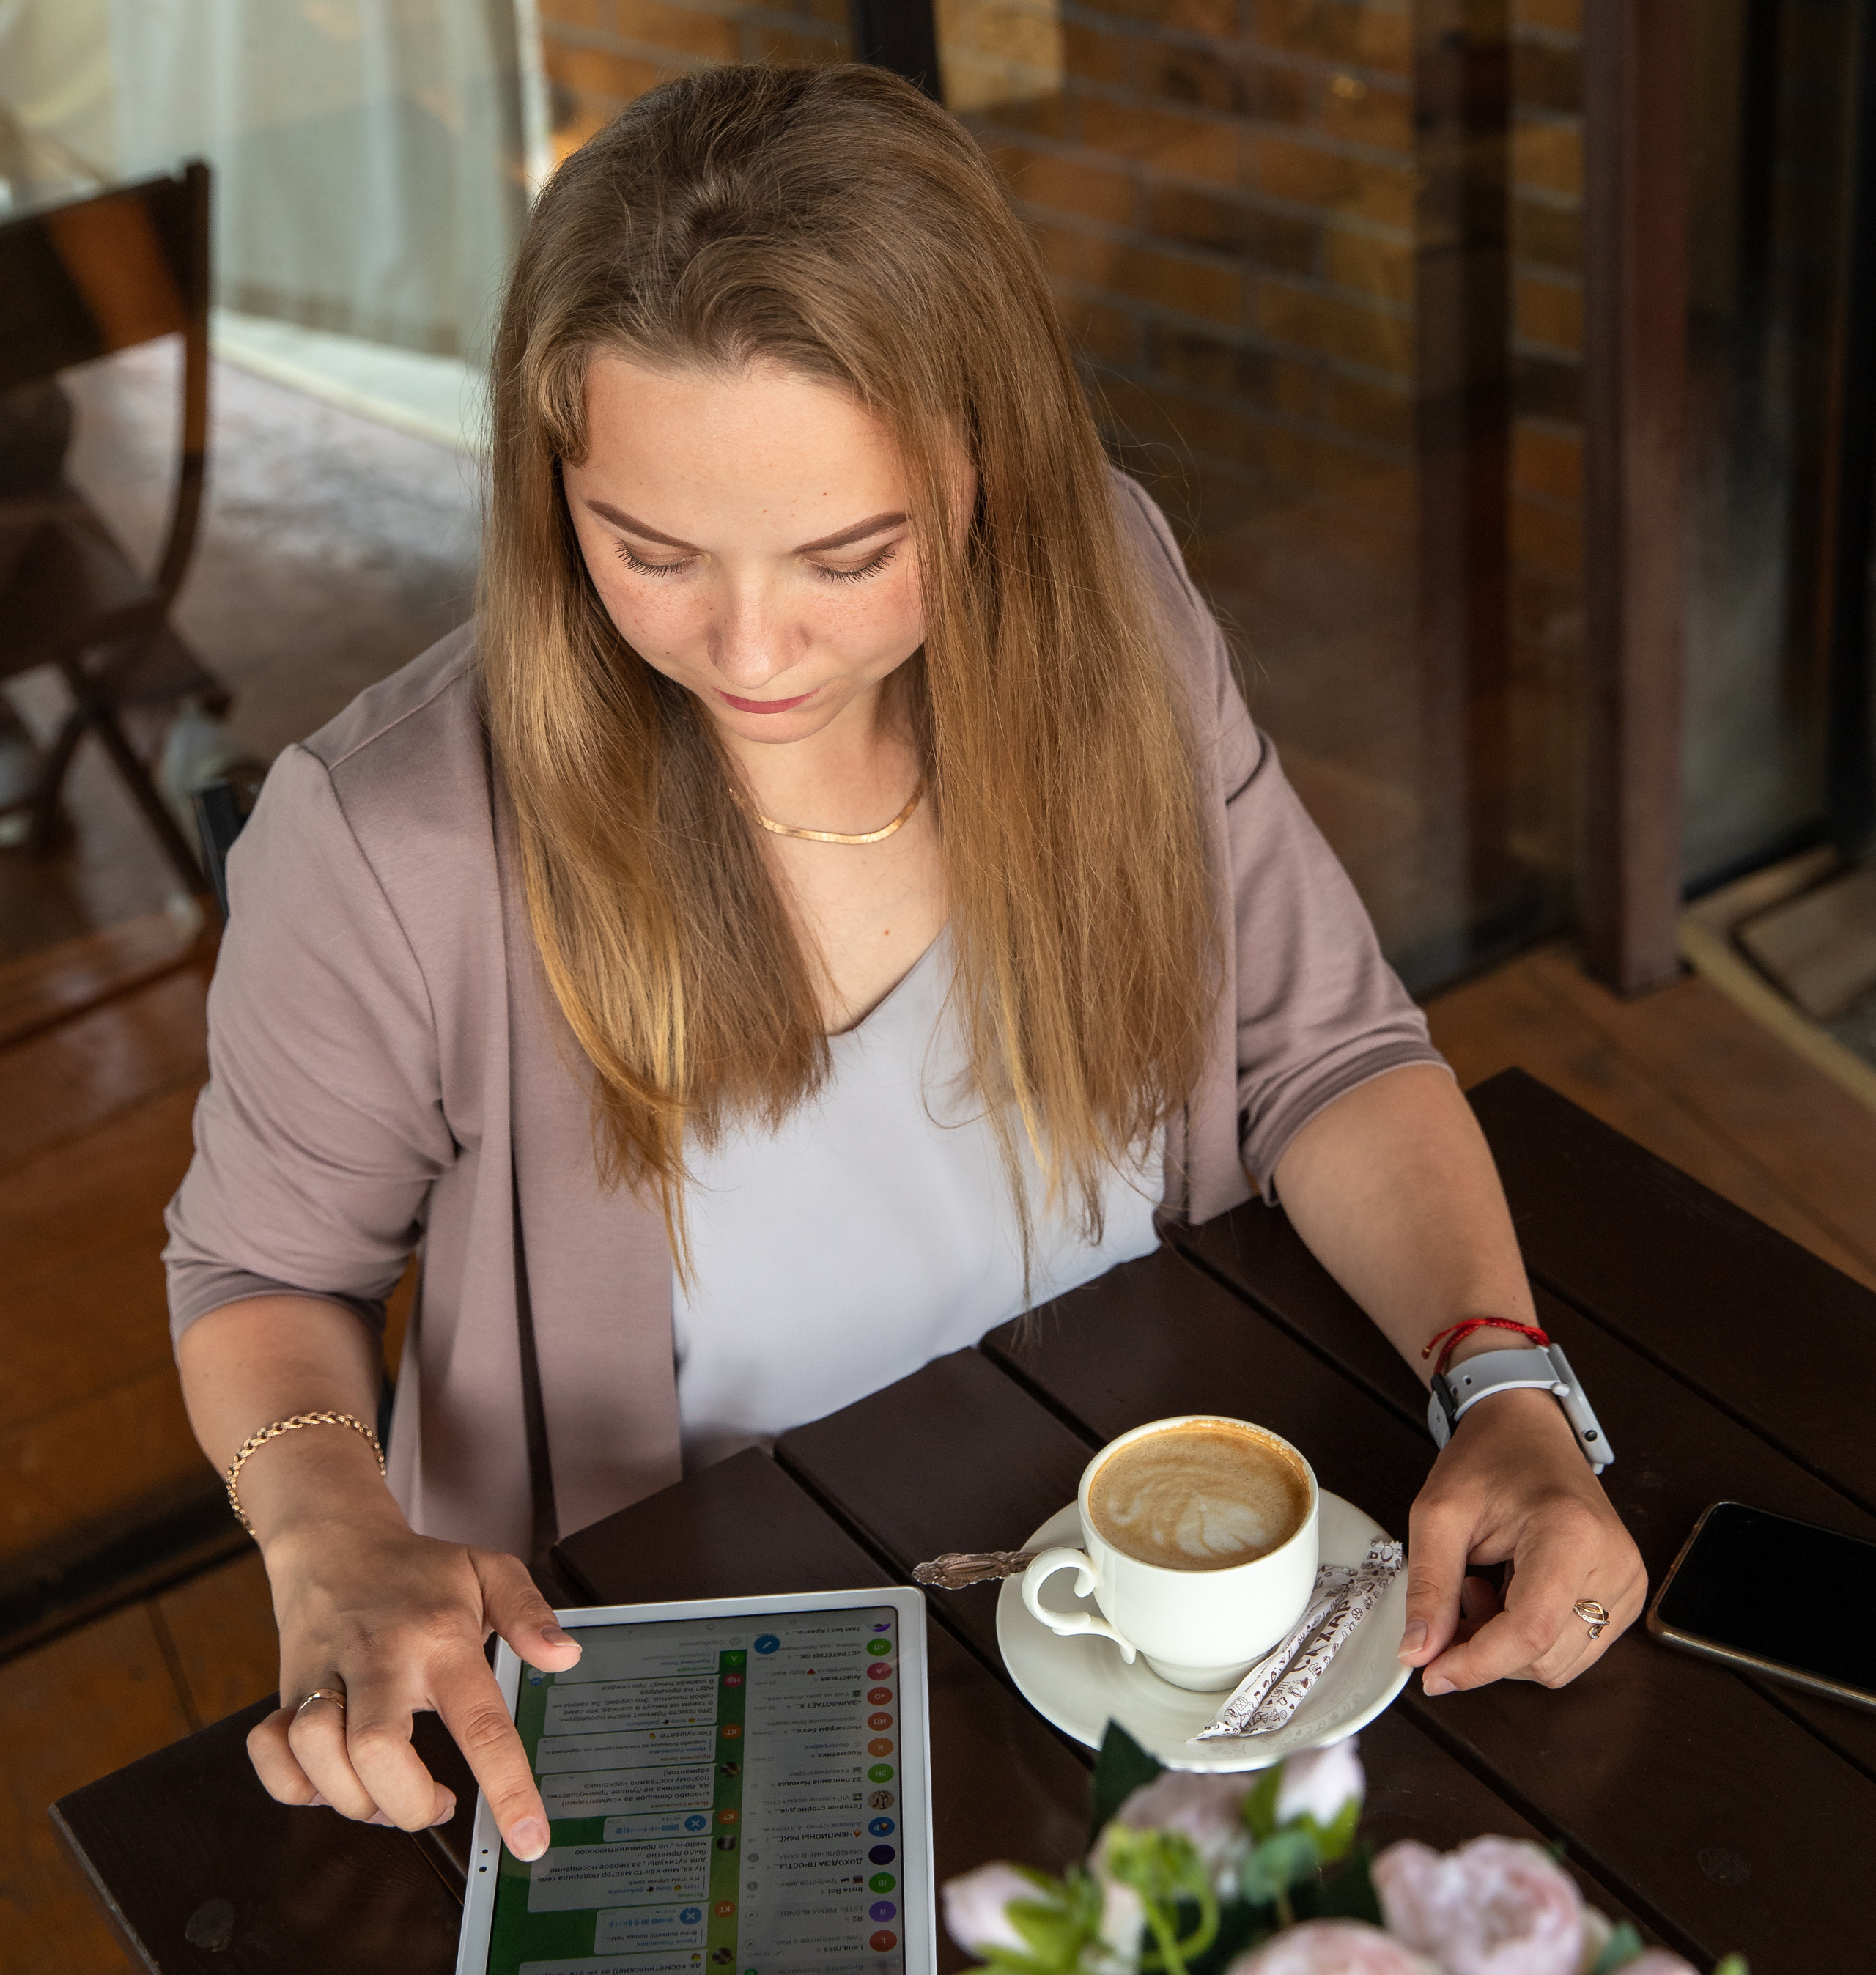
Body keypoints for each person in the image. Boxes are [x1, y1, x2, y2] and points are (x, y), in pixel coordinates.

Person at [164, 63, 1644, 1865]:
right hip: (704, 1649)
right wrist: (324, 1531)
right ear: (551, 475)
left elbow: (1322, 1053)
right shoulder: (390, 837)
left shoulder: (1113, 589)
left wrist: (1501, 1381)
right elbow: (257, 1266)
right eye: (648, 549)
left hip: (1155, 1568)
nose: (752, 644)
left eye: (847, 553)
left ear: (979, 460)